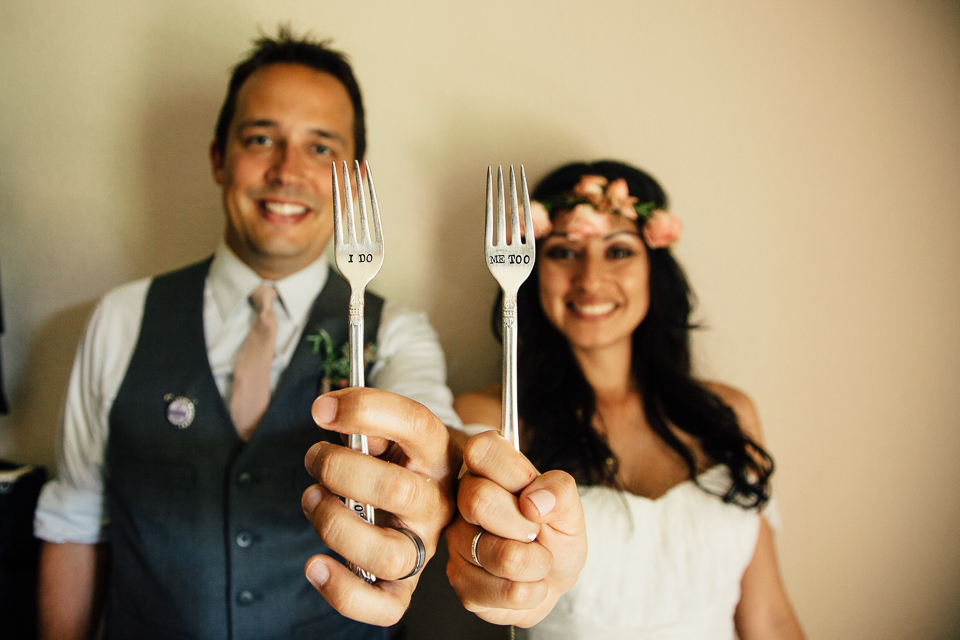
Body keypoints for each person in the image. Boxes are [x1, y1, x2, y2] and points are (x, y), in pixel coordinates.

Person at [33, 29, 584, 639]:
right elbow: (77, 521)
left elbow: (433, 439)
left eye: (321, 149)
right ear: (219, 157)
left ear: (354, 182)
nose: (287, 170)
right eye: (261, 138)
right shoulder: (121, 318)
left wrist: (453, 500)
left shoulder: (398, 331)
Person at [453, 160, 805, 639]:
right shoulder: (489, 422)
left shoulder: (730, 414)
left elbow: (769, 617)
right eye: (563, 252)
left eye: (618, 250)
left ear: (653, 271)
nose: (591, 279)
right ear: (533, 271)